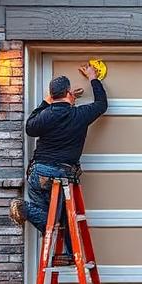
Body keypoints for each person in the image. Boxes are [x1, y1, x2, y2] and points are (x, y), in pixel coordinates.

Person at [9, 63, 108, 267]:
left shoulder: (45, 115)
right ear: (69, 93)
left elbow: (30, 126)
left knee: (59, 217)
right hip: (62, 174)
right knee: (55, 220)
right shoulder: (78, 115)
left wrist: (48, 101)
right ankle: (24, 209)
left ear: (52, 95)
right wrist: (92, 77)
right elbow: (101, 104)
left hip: (40, 173)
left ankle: (71, 254)